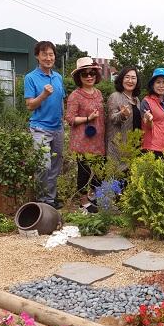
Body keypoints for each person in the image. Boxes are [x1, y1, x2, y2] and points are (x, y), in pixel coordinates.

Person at [24, 41, 66, 209]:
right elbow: (30, 106)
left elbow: (61, 100)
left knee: (55, 166)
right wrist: (43, 95)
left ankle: (50, 199)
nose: (48, 58)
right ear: (37, 56)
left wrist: (63, 119)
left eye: (51, 54)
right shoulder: (30, 78)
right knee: (44, 165)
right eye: (44, 54)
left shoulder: (58, 77)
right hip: (40, 128)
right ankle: (42, 201)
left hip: (58, 128)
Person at [65, 57, 105, 213]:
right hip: (82, 141)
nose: (89, 77)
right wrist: (88, 118)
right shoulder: (75, 95)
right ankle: (83, 201)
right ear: (79, 77)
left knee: (99, 170)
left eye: (92, 73)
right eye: (85, 74)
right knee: (84, 172)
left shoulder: (99, 93)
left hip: (98, 140)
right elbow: (70, 118)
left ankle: (94, 197)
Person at [106, 66, 141, 171]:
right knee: (116, 177)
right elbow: (112, 117)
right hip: (117, 147)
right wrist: (122, 114)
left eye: (133, 78)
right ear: (121, 79)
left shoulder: (136, 100)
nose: (130, 81)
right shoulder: (115, 96)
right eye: (127, 77)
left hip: (132, 147)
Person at [140, 67, 164, 156]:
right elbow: (148, 125)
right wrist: (149, 119)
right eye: (158, 82)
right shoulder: (146, 101)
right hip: (152, 149)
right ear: (153, 84)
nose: (161, 86)